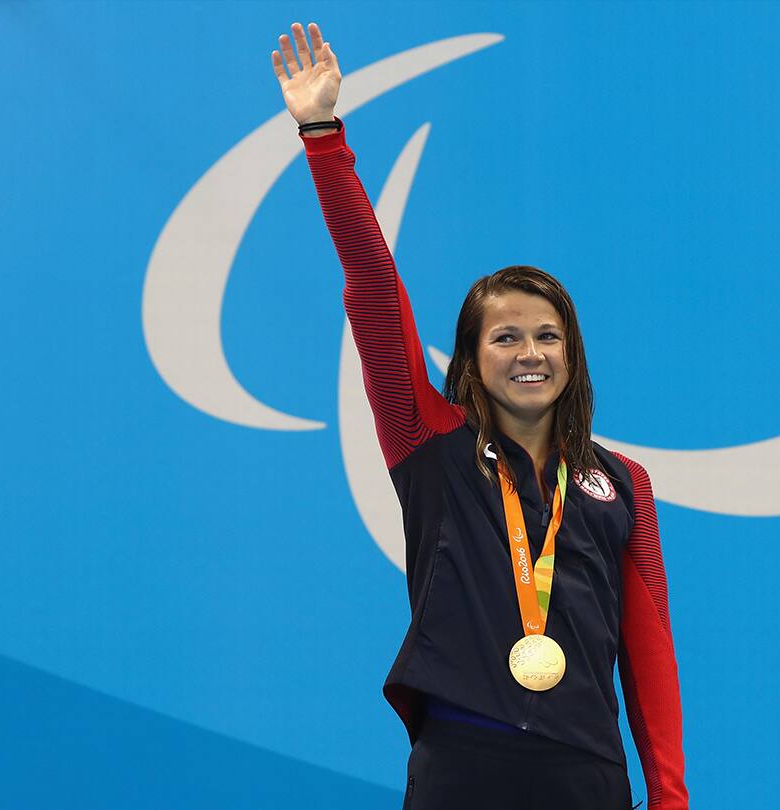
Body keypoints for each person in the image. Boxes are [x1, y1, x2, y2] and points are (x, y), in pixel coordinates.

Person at [271, 21, 688, 810]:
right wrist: (322, 134)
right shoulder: (425, 438)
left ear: (572, 355)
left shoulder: (622, 484)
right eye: (505, 337)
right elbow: (370, 282)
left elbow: (650, 649)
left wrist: (669, 797)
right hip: (462, 767)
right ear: (469, 360)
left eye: (547, 336)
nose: (529, 353)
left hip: (587, 772)